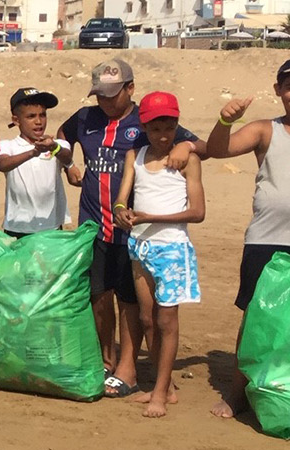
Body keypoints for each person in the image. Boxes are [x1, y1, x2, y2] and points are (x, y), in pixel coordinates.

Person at [57, 59, 201, 397]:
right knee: (96, 294)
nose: (105, 102)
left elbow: (201, 147)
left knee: (130, 303)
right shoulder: (85, 117)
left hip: (133, 230)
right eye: (100, 95)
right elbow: (63, 137)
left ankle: (130, 367)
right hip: (93, 224)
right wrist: (69, 164)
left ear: (130, 88)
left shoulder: (150, 122)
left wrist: (187, 145)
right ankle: (104, 359)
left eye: (112, 95)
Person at [110, 91, 203, 418]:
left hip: (172, 250)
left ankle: (161, 393)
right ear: (144, 127)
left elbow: (197, 212)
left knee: (167, 321)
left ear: (178, 125)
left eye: (170, 127)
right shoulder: (134, 156)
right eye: (156, 128)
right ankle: (164, 388)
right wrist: (121, 211)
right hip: (140, 245)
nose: (164, 135)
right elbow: (122, 197)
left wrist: (151, 217)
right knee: (147, 317)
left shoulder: (187, 160)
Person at [207, 59, 290, 419]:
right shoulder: (265, 130)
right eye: (288, 85)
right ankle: (237, 394)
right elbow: (218, 150)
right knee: (254, 318)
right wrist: (226, 120)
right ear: (278, 90)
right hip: (266, 240)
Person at [0, 88, 74, 238]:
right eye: (31, 116)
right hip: (17, 227)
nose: (39, 122)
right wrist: (33, 153)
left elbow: (67, 157)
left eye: (43, 115)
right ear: (16, 120)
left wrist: (53, 147)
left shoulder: (58, 144)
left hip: (51, 227)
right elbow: (3, 164)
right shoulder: (8, 145)